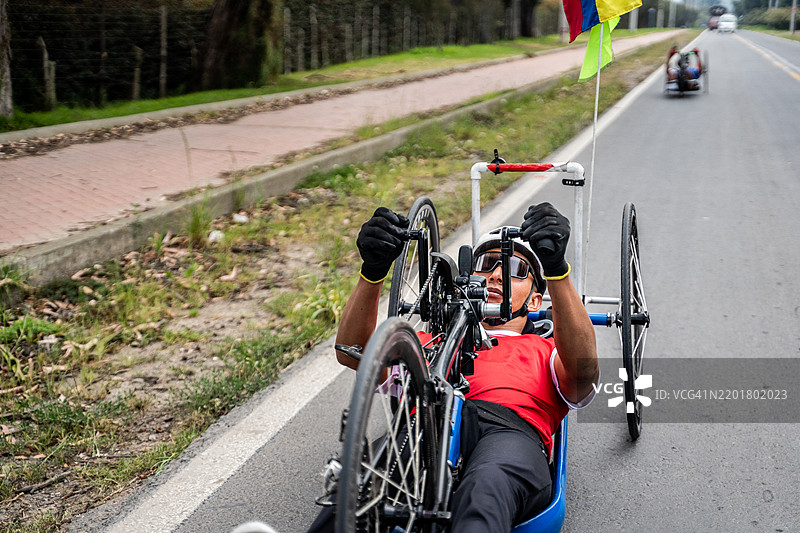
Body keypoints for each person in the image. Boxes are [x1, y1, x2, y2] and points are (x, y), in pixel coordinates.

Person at [310, 202, 599, 533]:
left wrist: (556, 268)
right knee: (360, 486)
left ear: (535, 301)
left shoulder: (546, 349)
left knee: (487, 487)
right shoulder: (429, 340)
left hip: (509, 433)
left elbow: (583, 373)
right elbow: (354, 353)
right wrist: (373, 271)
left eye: (516, 269)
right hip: (427, 428)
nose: (495, 274)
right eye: (487, 263)